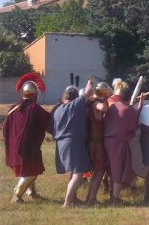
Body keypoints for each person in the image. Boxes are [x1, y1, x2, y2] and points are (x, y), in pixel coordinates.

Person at [3, 73, 50, 203]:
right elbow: (48, 120)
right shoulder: (35, 108)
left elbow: (5, 128)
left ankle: (32, 193)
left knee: (30, 169)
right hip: (27, 148)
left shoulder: (14, 108)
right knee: (31, 172)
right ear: (35, 94)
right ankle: (16, 196)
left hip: (15, 147)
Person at [51, 79, 94, 207]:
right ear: (75, 96)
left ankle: (73, 199)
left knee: (74, 172)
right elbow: (88, 91)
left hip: (60, 143)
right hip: (72, 142)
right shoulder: (76, 104)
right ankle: (67, 202)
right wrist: (90, 81)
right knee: (79, 175)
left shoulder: (58, 109)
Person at [104, 85, 144, 203]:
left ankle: (112, 194)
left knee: (112, 169)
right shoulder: (129, 109)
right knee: (117, 170)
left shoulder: (113, 107)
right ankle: (115, 198)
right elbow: (133, 124)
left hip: (108, 141)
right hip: (117, 142)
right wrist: (139, 107)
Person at [85, 82, 110, 204]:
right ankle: (91, 198)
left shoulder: (89, 103)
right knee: (99, 171)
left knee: (95, 172)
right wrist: (110, 102)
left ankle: (90, 196)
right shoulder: (96, 103)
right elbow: (104, 108)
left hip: (91, 142)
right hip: (96, 144)